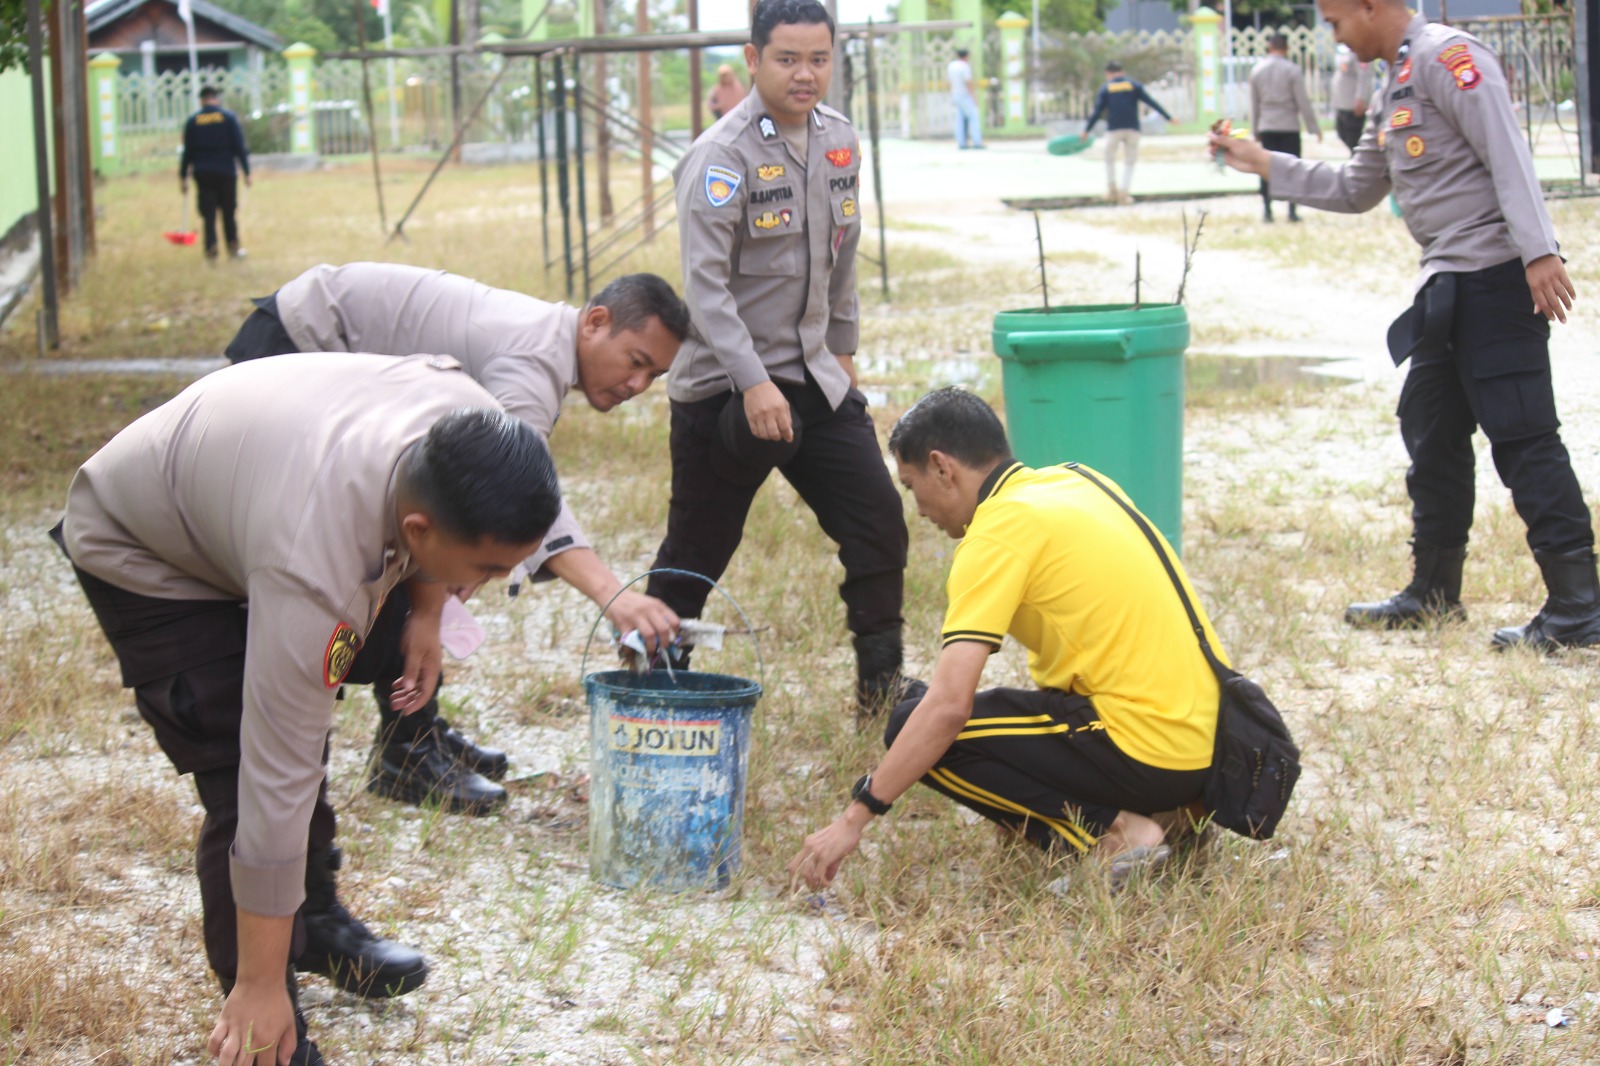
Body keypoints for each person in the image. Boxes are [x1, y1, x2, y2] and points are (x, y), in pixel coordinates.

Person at [55, 353, 563, 1064]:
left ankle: (311, 920)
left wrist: (426, 607)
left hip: (253, 495)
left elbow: (425, 522)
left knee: (309, 708)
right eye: (486, 569)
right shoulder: (313, 565)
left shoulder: (469, 419)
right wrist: (261, 981)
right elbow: (276, 772)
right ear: (419, 531)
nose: (499, 584)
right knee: (242, 769)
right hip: (148, 544)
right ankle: (263, 1014)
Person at [225, 265, 688, 817]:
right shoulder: (531, 362)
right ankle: (404, 750)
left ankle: (415, 732)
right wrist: (614, 595)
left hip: (314, 340)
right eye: (636, 362)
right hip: (294, 346)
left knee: (443, 542)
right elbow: (521, 501)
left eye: (653, 376)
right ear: (595, 322)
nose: (638, 386)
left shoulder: (545, 344)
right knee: (404, 534)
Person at [1211, 0, 1597, 651]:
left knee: (1524, 440)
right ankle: (1435, 593)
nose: (1331, 34)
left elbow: (1509, 152)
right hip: (1447, 288)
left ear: (1369, 6)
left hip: (1498, 280)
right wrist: (1262, 161)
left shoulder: (1452, 58)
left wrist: (1539, 252)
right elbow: (1358, 188)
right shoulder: (1393, 80)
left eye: (1335, 20)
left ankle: (1579, 607)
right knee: (1433, 433)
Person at [788, 388, 1220, 890]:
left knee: (914, 720)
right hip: (1207, 744)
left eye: (911, 487)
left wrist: (853, 818)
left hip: (1151, 745)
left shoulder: (995, 532)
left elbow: (948, 707)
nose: (920, 510)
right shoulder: (1078, 481)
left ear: (941, 468)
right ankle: (1172, 815)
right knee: (1006, 718)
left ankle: (1122, 831)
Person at [650, 0, 914, 716]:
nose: (805, 74)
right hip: (725, 393)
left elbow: (844, 257)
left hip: (814, 379)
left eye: (819, 59)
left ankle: (881, 694)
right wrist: (753, 382)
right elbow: (704, 291)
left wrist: (846, 349)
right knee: (696, 551)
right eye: (788, 59)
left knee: (879, 519)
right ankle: (649, 690)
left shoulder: (839, 141)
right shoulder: (721, 157)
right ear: (753, 58)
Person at [1248, 34, 1323, 222]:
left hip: (1267, 125)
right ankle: (1291, 210)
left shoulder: (1257, 70)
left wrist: (1254, 130)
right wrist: (1313, 127)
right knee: (1291, 168)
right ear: (1286, 48)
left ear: (1269, 46)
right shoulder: (1292, 70)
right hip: (1289, 125)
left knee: (1265, 167)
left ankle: (1267, 210)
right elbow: (1302, 101)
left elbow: (1253, 104)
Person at [1083, 61, 1172, 204]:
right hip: (1132, 129)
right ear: (1122, 71)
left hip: (1114, 129)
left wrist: (1086, 130)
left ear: (1108, 73)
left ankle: (1111, 190)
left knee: (1109, 159)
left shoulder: (1107, 87)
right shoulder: (1133, 85)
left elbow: (1097, 111)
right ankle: (1124, 193)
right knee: (1129, 162)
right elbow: (1151, 102)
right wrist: (1169, 117)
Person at [180, 85, 251, 261]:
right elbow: (239, 147)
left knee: (209, 214)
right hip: (226, 171)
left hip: (203, 172)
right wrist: (247, 172)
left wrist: (183, 176)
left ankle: (211, 249)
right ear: (216, 98)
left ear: (202, 100)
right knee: (229, 212)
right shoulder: (228, 118)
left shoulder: (193, 120)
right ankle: (233, 248)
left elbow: (187, 152)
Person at [1330, 42, 1376, 153]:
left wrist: (1361, 98)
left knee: (1353, 136)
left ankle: (1360, 160)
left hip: (1352, 104)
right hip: (1342, 102)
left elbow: (1364, 76)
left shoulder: (1361, 51)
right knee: (1341, 132)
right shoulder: (1344, 50)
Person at [948, 46, 985, 150]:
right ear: (966, 56)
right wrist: (974, 96)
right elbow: (968, 83)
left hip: (955, 95)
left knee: (959, 119)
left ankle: (961, 143)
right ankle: (977, 142)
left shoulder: (951, 65)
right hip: (964, 96)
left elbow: (950, 82)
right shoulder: (964, 66)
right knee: (973, 118)